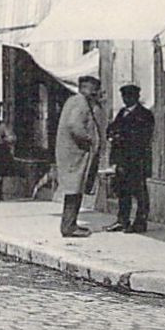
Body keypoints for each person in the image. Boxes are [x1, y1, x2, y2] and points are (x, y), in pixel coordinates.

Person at [55, 74, 105, 238]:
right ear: (84, 88)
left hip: (73, 155)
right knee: (74, 191)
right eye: (93, 89)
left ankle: (70, 224)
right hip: (75, 156)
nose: (95, 92)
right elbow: (74, 125)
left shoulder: (74, 101)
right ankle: (69, 227)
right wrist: (90, 139)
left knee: (74, 190)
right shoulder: (80, 102)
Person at [105, 82, 155, 233]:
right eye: (124, 96)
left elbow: (143, 137)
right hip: (122, 159)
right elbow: (111, 129)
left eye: (130, 96)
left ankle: (140, 222)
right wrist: (113, 135)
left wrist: (121, 136)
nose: (126, 99)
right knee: (123, 191)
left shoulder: (144, 114)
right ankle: (122, 220)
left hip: (137, 159)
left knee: (139, 192)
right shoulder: (122, 112)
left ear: (137, 97)